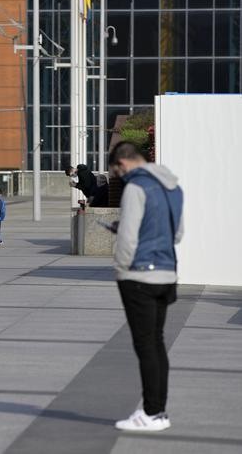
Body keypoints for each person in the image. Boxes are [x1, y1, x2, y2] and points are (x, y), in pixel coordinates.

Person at [109, 141, 184, 433]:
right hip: (167, 273)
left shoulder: (135, 188)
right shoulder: (174, 188)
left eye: (117, 172)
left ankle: (151, 413)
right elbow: (177, 234)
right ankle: (159, 411)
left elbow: (127, 238)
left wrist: (121, 269)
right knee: (157, 342)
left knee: (145, 345)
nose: (120, 177)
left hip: (139, 276)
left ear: (122, 163)